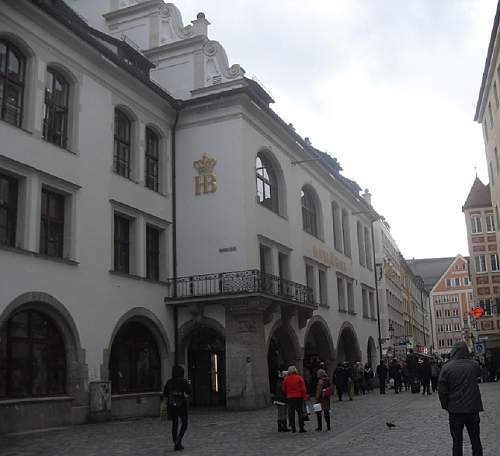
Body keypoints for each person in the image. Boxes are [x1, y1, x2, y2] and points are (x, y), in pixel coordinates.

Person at [438, 342, 484, 456]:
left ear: (453, 351)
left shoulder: (446, 367)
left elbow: (442, 391)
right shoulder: (474, 365)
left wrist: (445, 405)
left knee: (457, 442)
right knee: (475, 439)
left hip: (455, 410)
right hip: (473, 409)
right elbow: (480, 374)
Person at [163, 365, 192, 451]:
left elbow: (165, 394)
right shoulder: (183, 381)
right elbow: (189, 391)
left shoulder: (169, 381)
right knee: (184, 423)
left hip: (172, 404)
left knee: (174, 423)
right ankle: (178, 441)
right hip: (181, 404)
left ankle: (176, 442)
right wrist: (189, 383)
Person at [282, 365, 308, 433]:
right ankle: (301, 428)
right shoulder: (299, 378)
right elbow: (303, 388)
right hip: (299, 397)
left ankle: (293, 428)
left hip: (290, 397)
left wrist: (288, 392)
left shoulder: (286, 379)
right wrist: (304, 396)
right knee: (300, 412)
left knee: (291, 412)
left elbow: (284, 389)